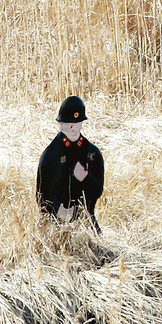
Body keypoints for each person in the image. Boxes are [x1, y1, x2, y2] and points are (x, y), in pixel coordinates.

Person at [37, 96, 104, 233]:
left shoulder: (91, 152)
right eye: (69, 124)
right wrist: (57, 209)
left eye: (77, 123)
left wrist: (85, 178)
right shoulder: (51, 155)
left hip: (85, 224)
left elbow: (97, 191)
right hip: (55, 225)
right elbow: (42, 192)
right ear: (61, 125)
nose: (73, 129)